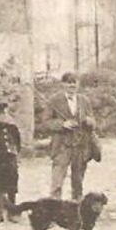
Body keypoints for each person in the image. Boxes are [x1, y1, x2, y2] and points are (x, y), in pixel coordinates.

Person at [47, 72, 96, 202]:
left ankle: (76, 207)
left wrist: (88, 121)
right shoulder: (54, 100)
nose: (72, 85)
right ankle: (54, 206)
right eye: (69, 82)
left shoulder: (84, 100)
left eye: (74, 82)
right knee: (57, 179)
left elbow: (93, 120)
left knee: (78, 179)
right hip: (62, 146)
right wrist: (62, 124)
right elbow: (45, 122)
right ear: (63, 84)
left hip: (80, 145)